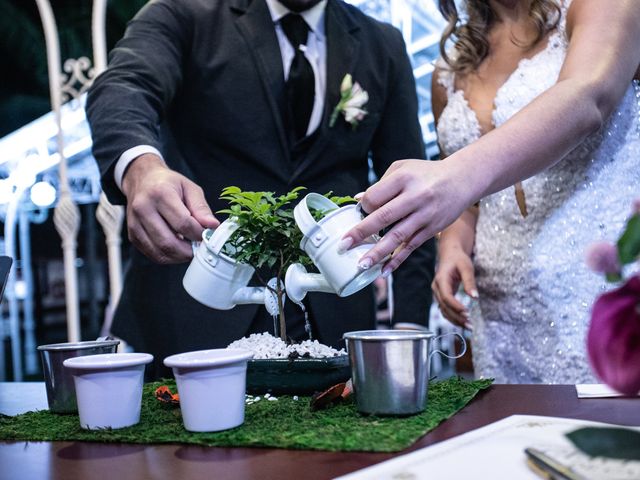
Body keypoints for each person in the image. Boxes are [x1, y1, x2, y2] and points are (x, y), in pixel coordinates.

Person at [86, 0, 435, 378]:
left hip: (332, 311)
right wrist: (140, 167)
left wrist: (410, 325)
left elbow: (409, 188)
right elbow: (123, 87)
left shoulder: (381, 42)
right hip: (198, 308)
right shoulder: (182, 13)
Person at [342, 0, 640, 383]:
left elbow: (588, 97)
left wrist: (455, 175)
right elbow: (471, 200)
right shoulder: (452, 69)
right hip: (498, 312)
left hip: (598, 296)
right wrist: (452, 248)